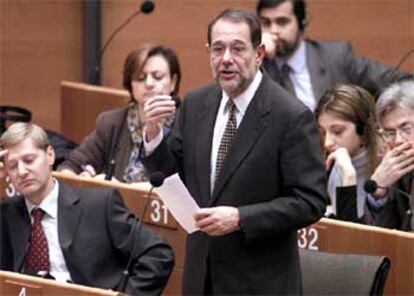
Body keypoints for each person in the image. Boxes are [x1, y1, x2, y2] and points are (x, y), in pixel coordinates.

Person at [142, 8, 326, 295]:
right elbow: (171, 174)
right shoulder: (195, 103)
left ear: (259, 53)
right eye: (218, 49)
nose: (226, 59)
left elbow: (310, 201)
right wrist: (153, 134)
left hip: (259, 283)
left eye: (237, 48)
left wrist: (241, 218)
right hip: (201, 277)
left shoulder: (290, 116)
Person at [0, 122, 175, 295]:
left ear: (50, 155)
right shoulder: (5, 214)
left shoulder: (99, 205)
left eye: (29, 160)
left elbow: (158, 254)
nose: (22, 171)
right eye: (12, 166)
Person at [257, 0, 412, 111]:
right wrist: (257, 55)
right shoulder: (255, 65)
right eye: (265, 23)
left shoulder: (335, 56)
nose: (273, 30)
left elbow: (398, 80)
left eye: (282, 22)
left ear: (302, 23)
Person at [58, 43, 181, 183]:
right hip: (118, 203)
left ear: (173, 82)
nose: (149, 83)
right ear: (130, 85)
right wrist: (82, 180)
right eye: (140, 78)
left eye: (157, 77)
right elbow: (71, 166)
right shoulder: (112, 122)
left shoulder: (186, 124)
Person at [315, 84, 385, 223]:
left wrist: (348, 177)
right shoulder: (333, 165)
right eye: (323, 133)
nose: (327, 143)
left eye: (338, 131)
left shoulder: (386, 168)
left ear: (363, 128)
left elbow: (356, 237)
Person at [369, 80, 414, 231]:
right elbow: (380, 240)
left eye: (406, 128)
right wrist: (379, 192)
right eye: (390, 133)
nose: (399, 140)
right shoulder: (399, 170)